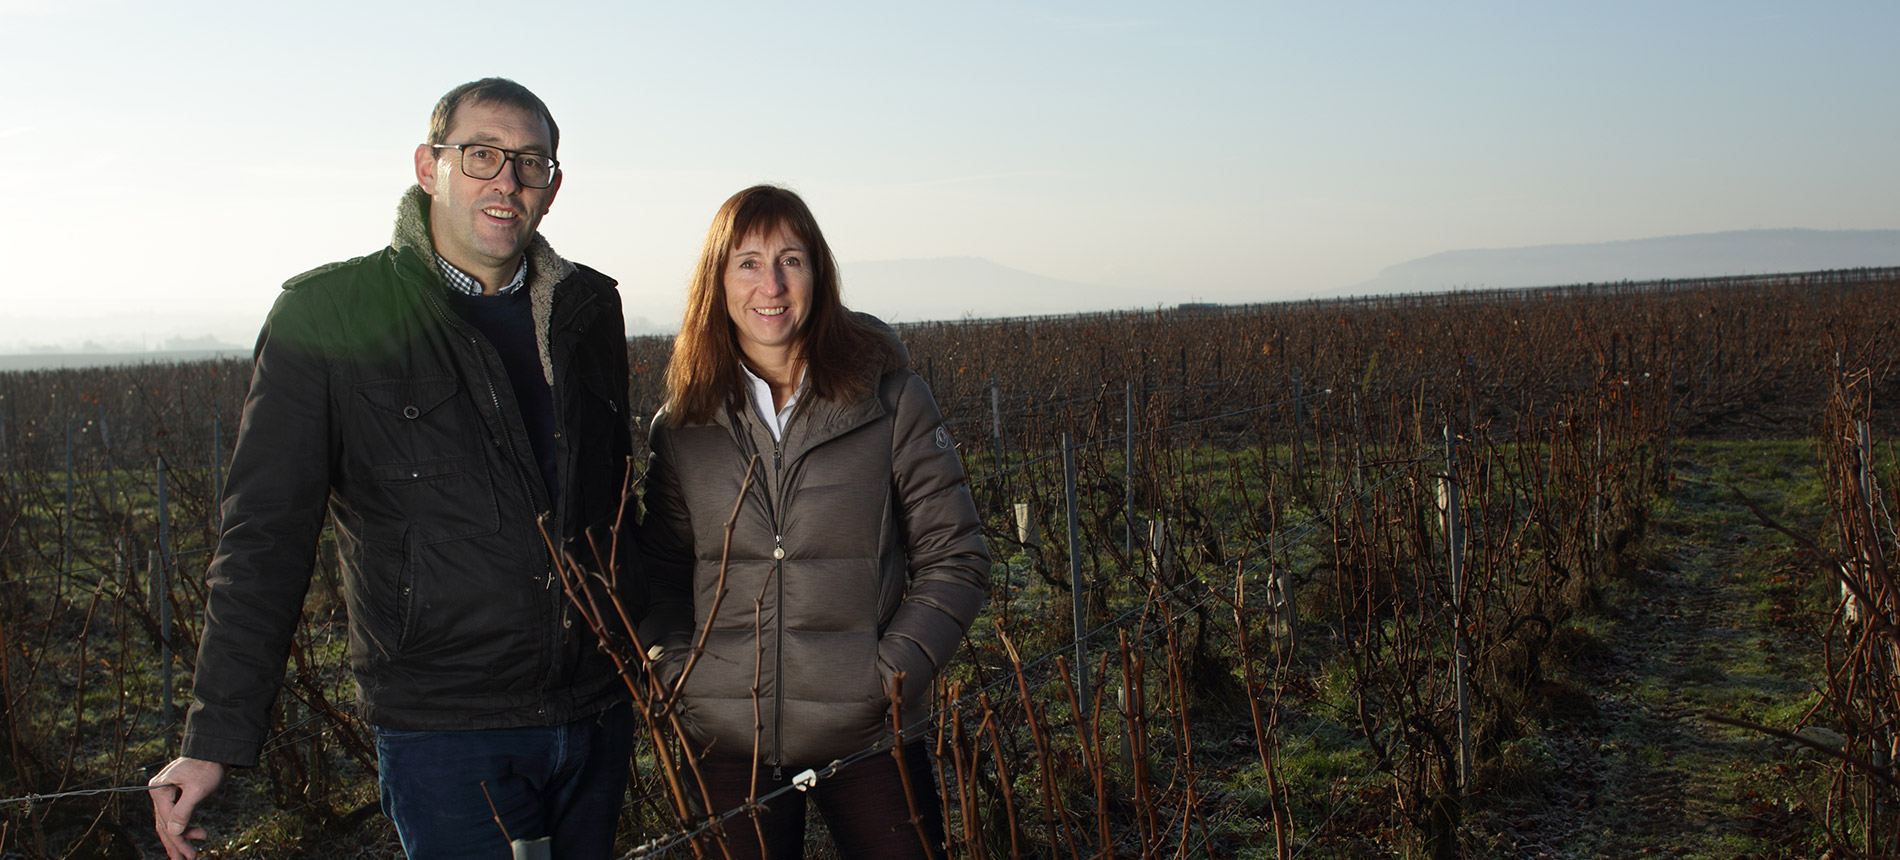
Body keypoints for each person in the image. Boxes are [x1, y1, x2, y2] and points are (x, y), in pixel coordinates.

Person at [148, 78, 639, 860]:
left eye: (529, 162)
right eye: (481, 155)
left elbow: (616, 509)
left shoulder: (588, 309)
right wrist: (216, 735)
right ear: (428, 166)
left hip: (595, 714)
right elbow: (266, 535)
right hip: (446, 728)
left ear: (553, 185)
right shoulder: (329, 314)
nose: (505, 182)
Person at [638, 185, 991, 859]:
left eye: (790, 260)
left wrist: (885, 679)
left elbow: (957, 558)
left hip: (869, 735)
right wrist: (680, 675)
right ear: (717, 280)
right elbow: (659, 571)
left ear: (817, 273)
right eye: (747, 262)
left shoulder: (890, 401)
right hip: (727, 742)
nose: (770, 284)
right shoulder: (683, 425)